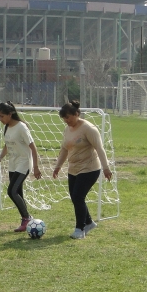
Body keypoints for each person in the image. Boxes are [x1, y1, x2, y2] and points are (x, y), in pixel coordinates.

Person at [52, 100, 112, 239]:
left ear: (77, 114)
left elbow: (100, 148)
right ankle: (89, 222)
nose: (66, 120)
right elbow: (64, 149)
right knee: (75, 197)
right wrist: (57, 166)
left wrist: (106, 168)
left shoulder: (89, 129)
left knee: (78, 196)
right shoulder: (67, 129)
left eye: (68, 117)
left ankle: (80, 229)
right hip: (73, 168)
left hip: (90, 168)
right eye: (64, 118)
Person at [0, 101, 41, 232]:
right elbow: (7, 145)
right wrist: (0, 157)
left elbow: (33, 147)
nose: (0, 119)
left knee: (11, 191)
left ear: (10, 114)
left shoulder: (21, 127)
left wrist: (36, 167)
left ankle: (27, 218)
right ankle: (25, 220)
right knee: (18, 192)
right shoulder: (7, 127)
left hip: (24, 163)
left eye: (2, 116)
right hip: (13, 164)